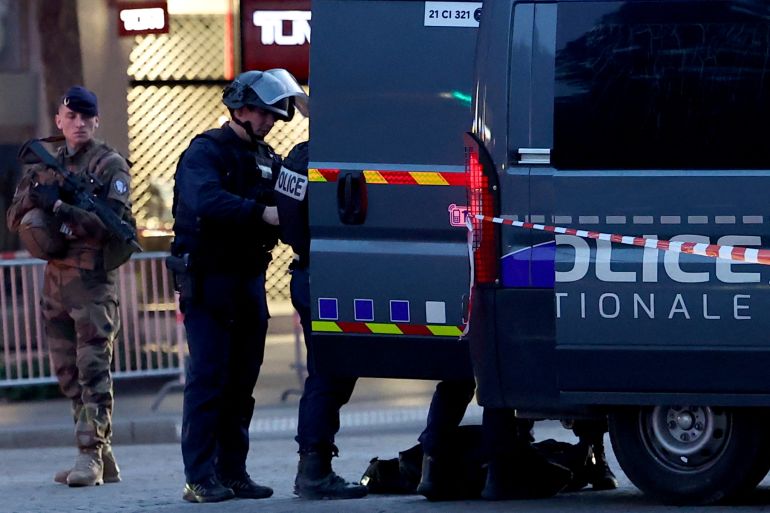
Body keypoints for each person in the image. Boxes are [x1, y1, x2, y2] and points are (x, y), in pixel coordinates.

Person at [169, 69, 307, 503]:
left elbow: (299, 191)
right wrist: (259, 214)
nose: (270, 121)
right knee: (208, 379)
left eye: (274, 114)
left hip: (248, 281)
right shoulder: (205, 152)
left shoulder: (268, 157)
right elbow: (205, 199)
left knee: (242, 382)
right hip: (209, 282)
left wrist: (315, 120)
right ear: (239, 108)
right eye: (262, 112)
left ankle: (233, 471)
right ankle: (199, 477)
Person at [6, 85, 135, 487]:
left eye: (86, 117)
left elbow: (112, 227)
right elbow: (14, 219)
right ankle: (102, 455)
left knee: (93, 369)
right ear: (58, 121)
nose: (78, 124)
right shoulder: (44, 164)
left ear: (96, 120)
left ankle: (89, 456)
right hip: (56, 282)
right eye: (71, 117)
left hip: (93, 283)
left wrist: (62, 206)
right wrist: (39, 201)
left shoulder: (109, 165)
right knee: (67, 374)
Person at [274, 141, 368, 500]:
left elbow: (289, 222)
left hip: (311, 269)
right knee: (329, 375)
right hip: (328, 275)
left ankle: (314, 466)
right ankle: (314, 469)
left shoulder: (300, 156)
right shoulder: (338, 152)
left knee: (328, 372)